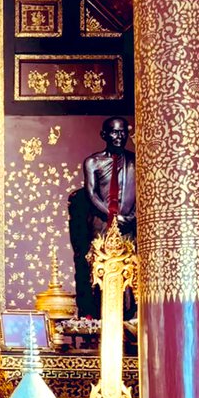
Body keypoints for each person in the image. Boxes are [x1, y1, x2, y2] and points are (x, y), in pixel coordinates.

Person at [69, 117, 136, 318]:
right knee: (97, 268)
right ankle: (97, 315)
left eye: (123, 132)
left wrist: (130, 217)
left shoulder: (135, 161)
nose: (119, 136)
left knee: (130, 270)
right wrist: (113, 216)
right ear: (104, 135)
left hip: (129, 224)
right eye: (114, 132)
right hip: (101, 223)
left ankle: (128, 316)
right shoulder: (93, 162)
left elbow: (144, 193)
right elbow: (91, 193)